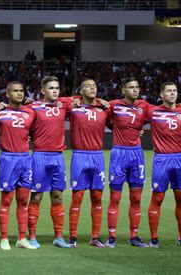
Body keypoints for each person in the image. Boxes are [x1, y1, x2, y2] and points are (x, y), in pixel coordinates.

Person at [147, 82, 181, 248]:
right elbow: (134, 117)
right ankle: (154, 238)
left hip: (180, 160)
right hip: (161, 160)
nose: (172, 93)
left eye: (175, 91)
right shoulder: (152, 111)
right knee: (157, 198)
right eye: (169, 91)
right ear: (161, 94)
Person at [27, 76, 72, 249]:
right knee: (37, 197)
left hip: (58, 157)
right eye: (51, 88)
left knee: (58, 196)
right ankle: (31, 237)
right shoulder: (33, 106)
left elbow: (84, 98)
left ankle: (59, 237)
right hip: (40, 156)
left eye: (57, 87)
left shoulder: (64, 104)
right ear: (43, 90)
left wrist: (100, 101)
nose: (55, 91)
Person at [105, 77, 151, 248]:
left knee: (136, 198)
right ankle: (111, 236)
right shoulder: (113, 105)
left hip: (137, 155)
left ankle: (134, 236)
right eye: (131, 87)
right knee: (115, 197)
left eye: (137, 87)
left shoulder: (144, 106)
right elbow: (105, 119)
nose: (135, 90)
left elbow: (161, 112)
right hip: (119, 154)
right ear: (123, 90)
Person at [68, 79, 110, 248]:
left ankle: (95, 237)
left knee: (97, 197)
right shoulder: (73, 107)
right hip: (80, 156)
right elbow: (58, 101)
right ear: (80, 90)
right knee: (77, 196)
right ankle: (72, 237)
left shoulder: (105, 108)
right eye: (88, 85)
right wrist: (76, 98)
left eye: (95, 86)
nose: (93, 88)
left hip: (98, 156)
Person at [0, 81, 36, 250]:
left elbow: (34, 132)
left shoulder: (31, 112)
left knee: (23, 201)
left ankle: (22, 238)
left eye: (22, 91)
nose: (19, 93)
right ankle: (4, 238)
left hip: (25, 159)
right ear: (7, 94)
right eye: (15, 91)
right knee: (6, 200)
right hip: (8, 159)